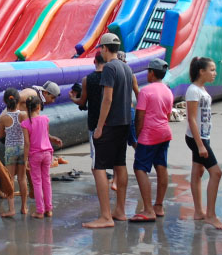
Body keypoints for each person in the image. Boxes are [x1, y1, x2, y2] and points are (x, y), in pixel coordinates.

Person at [82, 33, 133, 229]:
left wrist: (100, 126)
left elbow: (108, 99)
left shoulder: (110, 68)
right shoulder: (126, 68)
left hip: (110, 124)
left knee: (98, 168)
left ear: (104, 49)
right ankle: (120, 210)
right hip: (124, 122)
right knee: (120, 164)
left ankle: (105, 216)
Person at [184, 56, 222, 229]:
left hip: (203, 136)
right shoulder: (193, 90)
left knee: (197, 172)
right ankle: (210, 214)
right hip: (197, 138)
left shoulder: (201, 89)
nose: (214, 73)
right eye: (212, 69)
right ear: (201, 71)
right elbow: (192, 119)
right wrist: (200, 144)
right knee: (216, 173)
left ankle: (198, 211)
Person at [130, 58, 173, 222]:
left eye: (148, 71)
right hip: (164, 133)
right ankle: (159, 205)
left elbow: (139, 116)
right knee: (161, 166)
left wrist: (139, 135)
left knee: (140, 168)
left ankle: (148, 209)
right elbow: (168, 114)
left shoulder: (145, 91)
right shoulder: (168, 91)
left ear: (152, 73)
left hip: (149, 135)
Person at [22, 95, 63, 219]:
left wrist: (25, 159)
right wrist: (53, 138)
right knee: (46, 181)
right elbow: (46, 134)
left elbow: (27, 143)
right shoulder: (45, 119)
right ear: (39, 107)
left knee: (37, 182)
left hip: (35, 155)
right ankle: (49, 209)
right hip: (47, 153)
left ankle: (40, 210)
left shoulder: (25, 124)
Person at [69, 54, 105, 171]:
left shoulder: (87, 79)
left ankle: (100, 182)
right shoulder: (110, 77)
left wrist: (72, 98)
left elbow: (82, 102)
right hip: (110, 120)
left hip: (94, 121)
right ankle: (115, 180)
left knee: (96, 156)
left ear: (94, 61)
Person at [0, 87, 29, 217]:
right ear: (19, 101)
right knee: (22, 178)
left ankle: (11, 209)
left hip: (10, 150)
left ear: (5, 101)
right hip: (22, 148)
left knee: (10, 179)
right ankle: (24, 207)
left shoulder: (4, 118)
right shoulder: (23, 115)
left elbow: (0, 135)